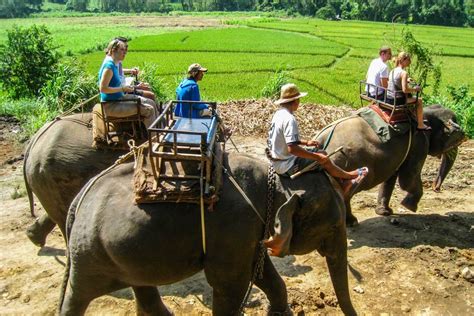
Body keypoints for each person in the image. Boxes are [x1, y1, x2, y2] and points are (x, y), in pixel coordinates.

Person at [265, 83, 368, 256]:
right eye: (298, 100)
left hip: (277, 159)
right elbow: (292, 149)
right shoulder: (290, 119)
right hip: (287, 164)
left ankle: (341, 178)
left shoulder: (279, 115)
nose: (299, 103)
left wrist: (307, 143)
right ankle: (347, 179)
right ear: (294, 101)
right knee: (324, 159)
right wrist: (316, 157)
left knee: (317, 151)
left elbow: (290, 141)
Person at [98, 39, 157, 128]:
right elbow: (103, 88)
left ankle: (159, 129)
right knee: (149, 110)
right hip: (111, 105)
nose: (125, 52)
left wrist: (134, 87)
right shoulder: (109, 66)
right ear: (113, 50)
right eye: (122, 50)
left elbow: (117, 84)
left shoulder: (114, 63)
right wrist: (122, 89)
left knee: (151, 102)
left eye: (125, 50)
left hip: (120, 99)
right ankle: (154, 138)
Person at [387, 52, 431, 131]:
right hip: (397, 100)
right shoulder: (404, 73)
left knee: (413, 98)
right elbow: (405, 90)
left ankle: (414, 116)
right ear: (403, 60)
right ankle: (420, 124)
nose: (409, 62)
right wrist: (415, 89)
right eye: (408, 60)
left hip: (389, 97)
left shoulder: (393, 71)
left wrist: (406, 80)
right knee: (419, 100)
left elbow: (395, 81)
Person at [104, 37, 156, 101]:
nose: (125, 51)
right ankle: (158, 109)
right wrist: (135, 87)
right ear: (115, 49)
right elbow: (104, 88)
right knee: (150, 95)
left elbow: (117, 72)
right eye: (122, 48)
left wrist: (130, 71)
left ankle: (158, 109)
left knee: (147, 89)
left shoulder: (114, 61)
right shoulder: (110, 64)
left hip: (123, 89)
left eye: (126, 47)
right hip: (120, 93)